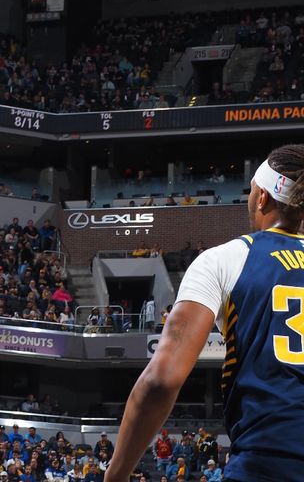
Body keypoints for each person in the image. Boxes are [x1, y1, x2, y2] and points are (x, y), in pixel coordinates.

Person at [104, 145, 304, 482]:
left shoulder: (226, 259)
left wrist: (116, 474)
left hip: (268, 459)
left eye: (252, 189)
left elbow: (161, 379)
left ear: (262, 198)